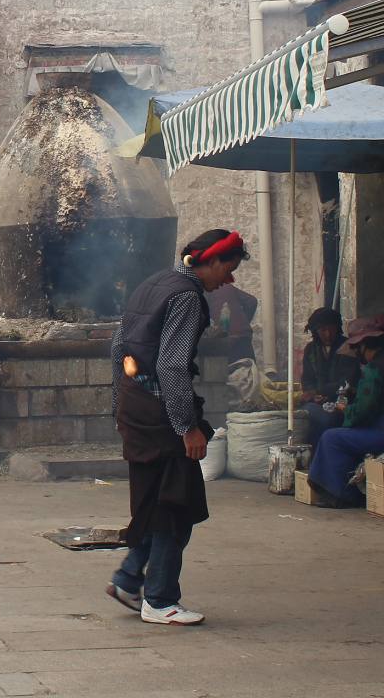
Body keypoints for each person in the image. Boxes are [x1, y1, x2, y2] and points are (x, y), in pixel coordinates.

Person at [107, 228, 247, 627]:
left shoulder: (153, 284)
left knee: (153, 501)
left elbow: (119, 347)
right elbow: (170, 365)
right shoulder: (187, 297)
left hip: (137, 407)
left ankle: (128, 579)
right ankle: (161, 598)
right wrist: (187, 427)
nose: (228, 280)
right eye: (228, 269)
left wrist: (120, 405)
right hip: (162, 415)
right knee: (175, 505)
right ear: (213, 261)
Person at [305, 316, 384, 507]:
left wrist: (345, 410)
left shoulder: (374, 369)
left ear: (364, 345)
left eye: (356, 347)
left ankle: (343, 495)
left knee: (332, 438)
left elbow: (362, 411)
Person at [298, 307, 360, 440]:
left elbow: (347, 381)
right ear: (315, 331)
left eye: (331, 329)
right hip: (316, 402)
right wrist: (313, 394)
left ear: (337, 328)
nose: (328, 334)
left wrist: (321, 391)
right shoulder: (311, 349)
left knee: (327, 420)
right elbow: (307, 379)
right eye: (323, 330)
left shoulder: (348, 348)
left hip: (343, 402)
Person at [206, 281, 260, 367]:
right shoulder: (223, 285)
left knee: (228, 378)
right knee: (250, 375)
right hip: (244, 336)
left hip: (225, 342)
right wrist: (243, 323)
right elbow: (252, 301)